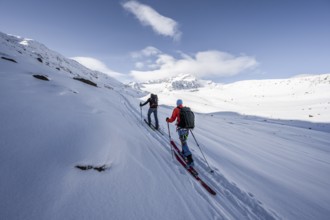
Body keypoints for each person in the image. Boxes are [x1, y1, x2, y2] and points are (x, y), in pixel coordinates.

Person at [166, 99, 194, 167]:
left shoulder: (176, 109)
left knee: (184, 143)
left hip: (181, 129)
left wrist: (167, 120)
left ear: (177, 103)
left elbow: (172, 119)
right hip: (187, 129)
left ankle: (190, 159)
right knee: (184, 141)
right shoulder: (186, 109)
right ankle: (184, 152)